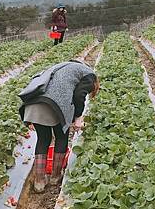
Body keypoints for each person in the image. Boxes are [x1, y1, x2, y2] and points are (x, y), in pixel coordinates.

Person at [18, 60, 99, 192]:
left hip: (33, 103)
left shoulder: (60, 67)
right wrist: (78, 117)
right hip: (55, 105)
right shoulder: (89, 75)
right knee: (61, 137)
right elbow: (79, 95)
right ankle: (55, 177)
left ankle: (39, 181)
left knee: (43, 139)